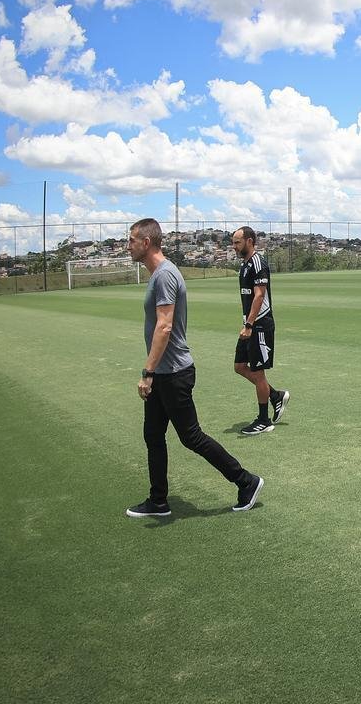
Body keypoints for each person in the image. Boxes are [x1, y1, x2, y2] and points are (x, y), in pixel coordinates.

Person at [125, 218, 264, 518]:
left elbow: (164, 327)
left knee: (191, 437)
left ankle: (246, 481)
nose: (128, 245)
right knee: (153, 435)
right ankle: (158, 501)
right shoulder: (160, 273)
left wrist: (147, 372)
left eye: (132, 240)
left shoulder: (163, 275)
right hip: (165, 372)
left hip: (171, 372)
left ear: (146, 242)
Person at [232, 226, 289, 435]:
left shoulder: (258, 263)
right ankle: (275, 396)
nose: (234, 246)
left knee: (257, 371)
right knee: (239, 366)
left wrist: (249, 325)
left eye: (237, 242)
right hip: (249, 325)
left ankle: (264, 420)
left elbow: (259, 296)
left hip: (259, 325)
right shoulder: (244, 265)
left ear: (249, 241)